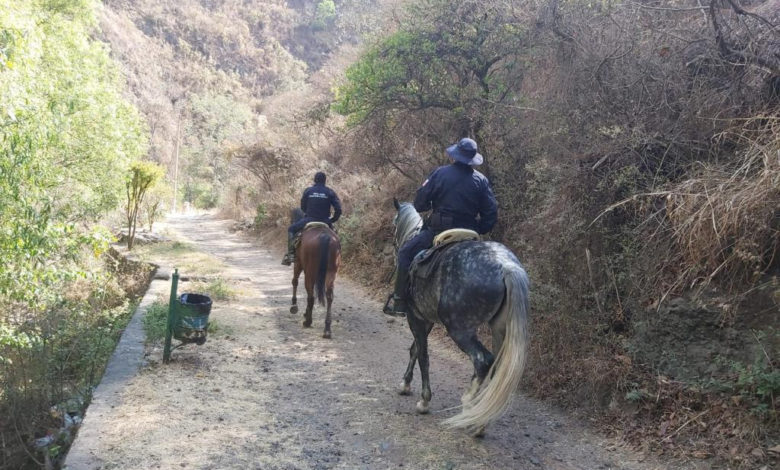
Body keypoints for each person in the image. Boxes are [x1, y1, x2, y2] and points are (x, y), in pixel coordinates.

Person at [383, 138, 498, 316]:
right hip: (470, 235)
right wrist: (479, 228)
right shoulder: (481, 180)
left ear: (455, 156)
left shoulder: (440, 173)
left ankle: (399, 301)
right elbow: (491, 213)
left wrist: (430, 205)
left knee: (405, 253)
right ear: (472, 159)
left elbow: (419, 204)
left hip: (440, 231)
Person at [281, 171, 342, 266]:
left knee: (291, 229)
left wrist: (308, 213)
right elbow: (338, 209)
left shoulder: (308, 191)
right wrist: (332, 220)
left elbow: (303, 207)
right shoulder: (330, 192)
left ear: (314, 180)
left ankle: (291, 254)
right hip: (325, 221)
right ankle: (338, 256)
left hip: (309, 219)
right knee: (336, 237)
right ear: (325, 181)